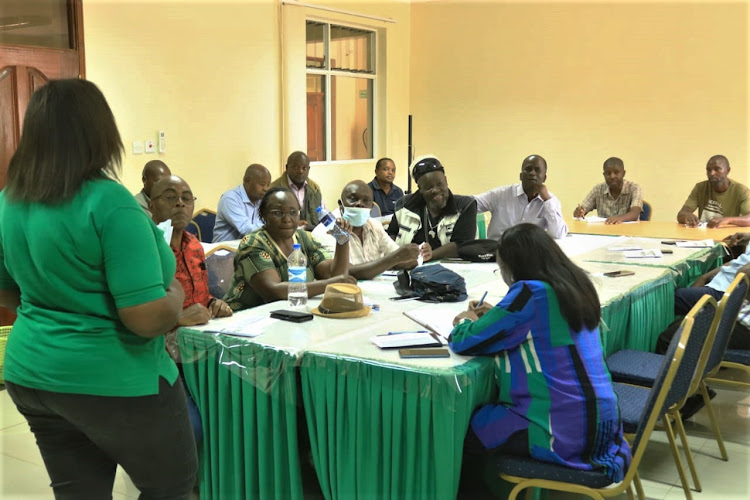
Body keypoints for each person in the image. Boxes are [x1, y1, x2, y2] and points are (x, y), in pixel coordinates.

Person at [0, 79, 197, 498]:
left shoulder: (8, 201)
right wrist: (177, 297)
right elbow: (145, 319)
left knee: (79, 492)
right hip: (119, 379)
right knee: (172, 488)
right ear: (101, 133)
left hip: (33, 374)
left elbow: (5, 290)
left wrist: (57, 310)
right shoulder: (111, 203)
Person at [450, 224, 630, 494]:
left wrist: (463, 321)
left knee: (463, 430)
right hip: (601, 423)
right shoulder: (575, 285)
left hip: (561, 430)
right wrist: (497, 315)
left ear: (514, 265)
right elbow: (528, 324)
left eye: (502, 268)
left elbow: (465, 341)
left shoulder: (529, 293)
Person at [150, 175, 234, 442]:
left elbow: (201, 294)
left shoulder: (194, 245)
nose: (180, 204)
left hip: (199, 348)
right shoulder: (146, 247)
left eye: (186, 198)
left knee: (235, 409)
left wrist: (213, 303)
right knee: (193, 428)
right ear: (152, 206)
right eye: (170, 198)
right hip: (161, 355)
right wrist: (179, 318)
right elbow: (136, 309)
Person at [224, 187, 356, 311]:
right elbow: (273, 291)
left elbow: (333, 275)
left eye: (293, 213)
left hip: (291, 312)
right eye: (278, 213)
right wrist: (329, 284)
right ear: (263, 215)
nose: (287, 219)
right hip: (247, 319)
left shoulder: (304, 238)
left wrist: (342, 241)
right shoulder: (253, 243)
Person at [655, 231, 750, 354]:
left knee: (672, 336)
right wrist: (704, 277)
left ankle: (675, 372)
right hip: (735, 309)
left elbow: (743, 274)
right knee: (679, 327)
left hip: (742, 322)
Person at [314, 180, 426, 279]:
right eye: (353, 199)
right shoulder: (327, 230)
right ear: (341, 204)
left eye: (366, 201)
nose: (360, 204)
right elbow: (345, 271)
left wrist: (421, 253)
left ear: (371, 207)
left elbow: (400, 258)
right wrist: (394, 259)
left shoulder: (374, 225)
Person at [387, 156, 477, 261]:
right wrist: (394, 255)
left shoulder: (465, 206)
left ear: (446, 181)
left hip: (452, 269)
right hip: (408, 268)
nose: (435, 190)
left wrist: (429, 255)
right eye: (428, 187)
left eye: (439, 184)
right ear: (420, 189)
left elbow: (462, 245)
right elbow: (391, 233)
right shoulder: (404, 205)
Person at [474, 155, 567, 240]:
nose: (532, 173)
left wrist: (547, 200)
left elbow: (558, 234)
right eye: (528, 169)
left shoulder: (551, 201)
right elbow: (470, 204)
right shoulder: (500, 195)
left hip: (529, 253)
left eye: (537, 170)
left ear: (544, 178)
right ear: (521, 176)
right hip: (498, 252)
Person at [677, 155, 750, 228]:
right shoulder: (700, 187)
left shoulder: (741, 190)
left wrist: (728, 220)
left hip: (729, 237)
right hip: (704, 236)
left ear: (728, 170)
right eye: (709, 170)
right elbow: (681, 214)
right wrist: (687, 216)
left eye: (717, 169)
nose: (711, 173)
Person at [573, 157, 643, 224]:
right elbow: (583, 209)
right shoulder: (598, 189)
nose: (612, 176)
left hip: (629, 233)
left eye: (616, 172)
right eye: (608, 173)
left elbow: (635, 213)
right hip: (605, 233)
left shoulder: (634, 188)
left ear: (623, 173)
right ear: (604, 175)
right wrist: (579, 213)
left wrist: (620, 218)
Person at [213, 163, 271, 242]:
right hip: (224, 251)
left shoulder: (261, 200)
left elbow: (268, 221)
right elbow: (246, 229)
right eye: (262, 184)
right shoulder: (230, 198)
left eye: (268, 185)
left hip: (249, 248)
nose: (266, 189)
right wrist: (275, 229)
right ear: (246, 180)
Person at [269, 151, 324, 230]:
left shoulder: (314, 189)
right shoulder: (274, 189)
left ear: (308, 169)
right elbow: (269, 219)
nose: (300, 171)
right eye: (295, 167)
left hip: (312, 237)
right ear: (287, 168)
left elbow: (323, 215)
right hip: (285, 237)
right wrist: (293, 224)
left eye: (304, 168)